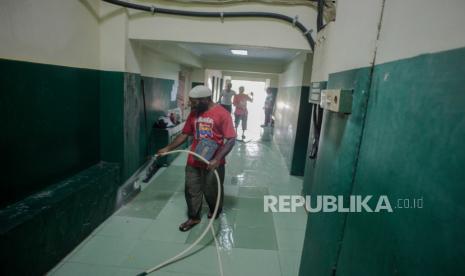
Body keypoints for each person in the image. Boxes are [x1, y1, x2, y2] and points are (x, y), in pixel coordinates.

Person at [157, 85, 236, 232]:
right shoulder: (194, 114)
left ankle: (215, 209)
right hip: (194, 159)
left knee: (212, 190)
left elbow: (231, 139)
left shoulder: (222, 114)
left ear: (206, 99)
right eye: (191, 101)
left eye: (194, 102)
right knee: (191, 189)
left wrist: (217, 159)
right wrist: (168, 148)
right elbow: (185, 134)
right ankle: (194, 217)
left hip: (213, 162)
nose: (191, 105)